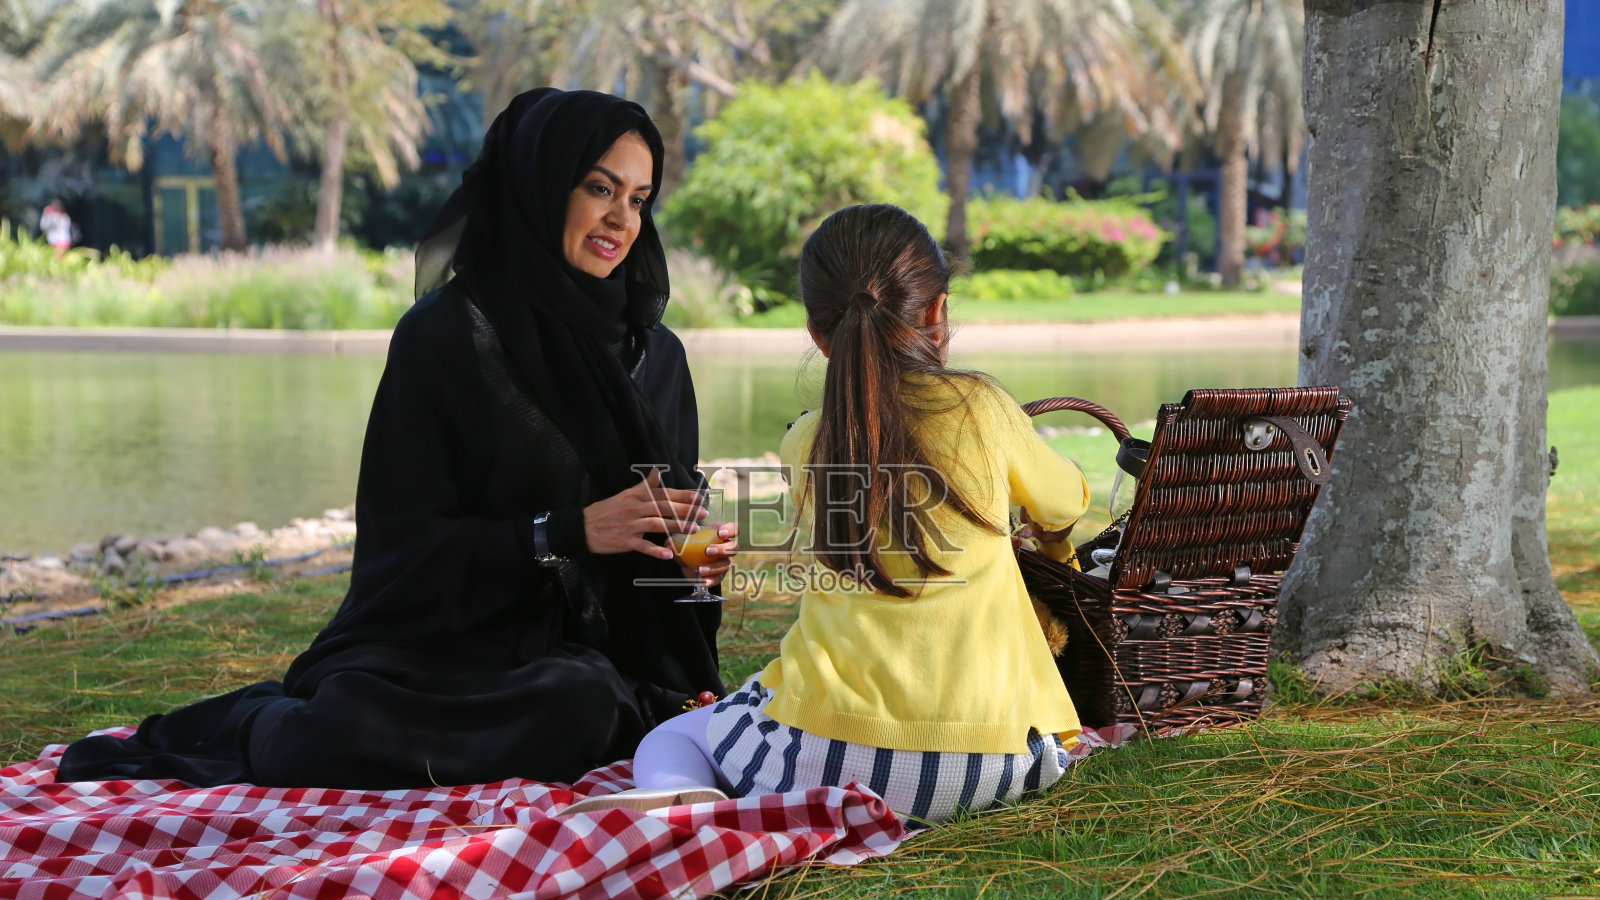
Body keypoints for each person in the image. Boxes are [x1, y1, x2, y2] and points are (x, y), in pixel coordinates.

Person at [57, 88, 738, 789]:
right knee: (365, 721)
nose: (620, 220)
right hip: (440, 647)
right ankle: (272, 727)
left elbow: (658, 549)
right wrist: (569, 530)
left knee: (583, 701)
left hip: (585, 661)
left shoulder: (656, 358)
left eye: (639, 198)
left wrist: (691, 573)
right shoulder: (448, 339)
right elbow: (404, 549)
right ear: (541, 183)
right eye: (600, 188)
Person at [568, 203, 1090, 823]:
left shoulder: (805, 442)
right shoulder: (985, 409)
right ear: (937, 311)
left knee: (671, 737)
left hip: (820, 761)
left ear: (818, 335)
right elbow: (1066, 501)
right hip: (997, 765)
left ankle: (695, 814)